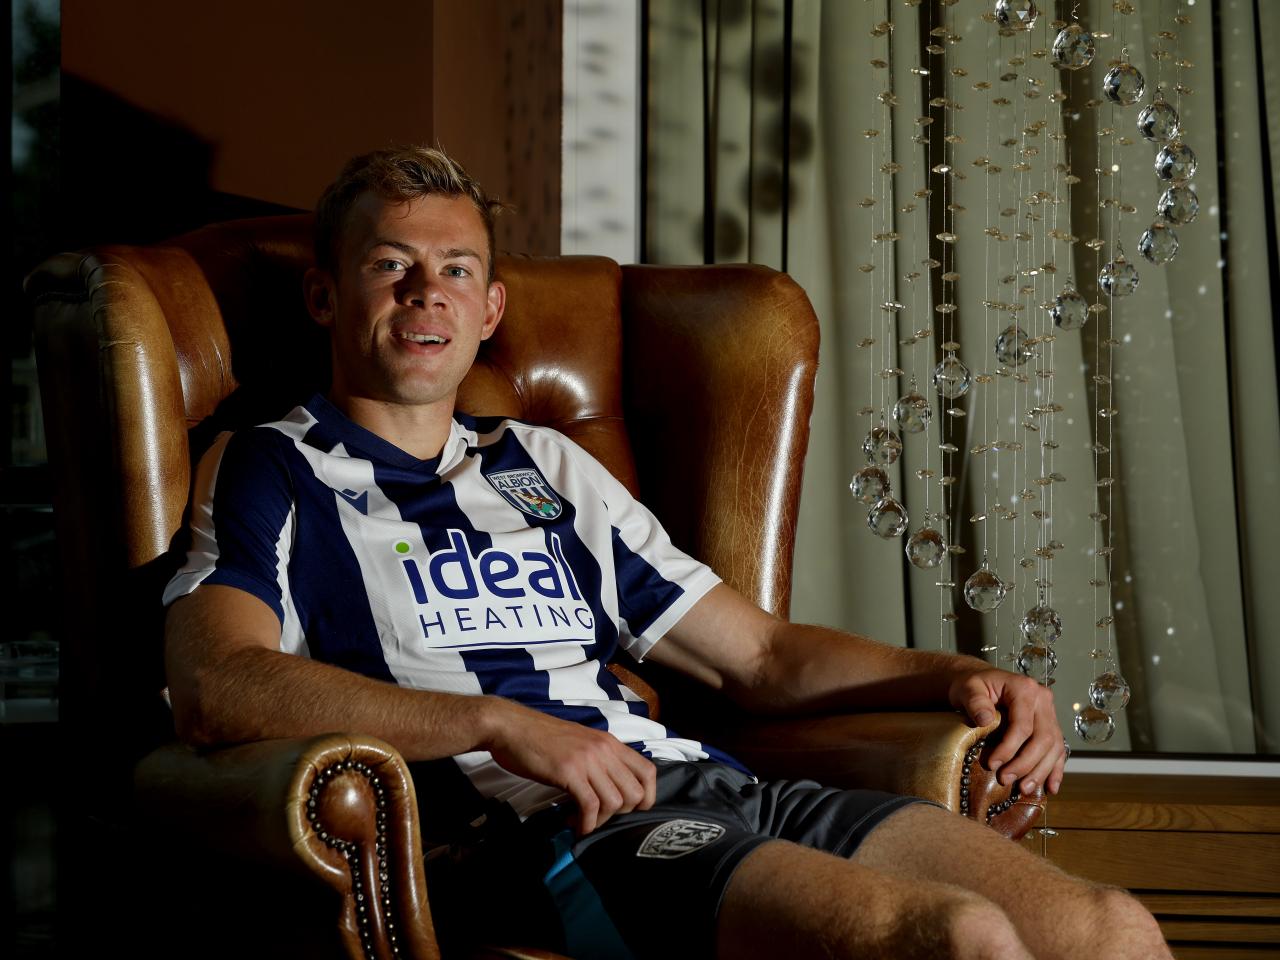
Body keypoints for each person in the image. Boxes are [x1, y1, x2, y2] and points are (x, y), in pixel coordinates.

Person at [162, 145, 1169, 960]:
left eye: (456, 270)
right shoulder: (272, 467)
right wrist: (494, 722)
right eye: (391, 265)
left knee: (1108, 930)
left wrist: (959, 674)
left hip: (713, 787)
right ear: (326, 297)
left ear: (489, 310)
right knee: (954, 936)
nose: (428, 292)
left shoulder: (541, 464)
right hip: (544, 830)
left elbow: (763, 659)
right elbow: (217, 683)